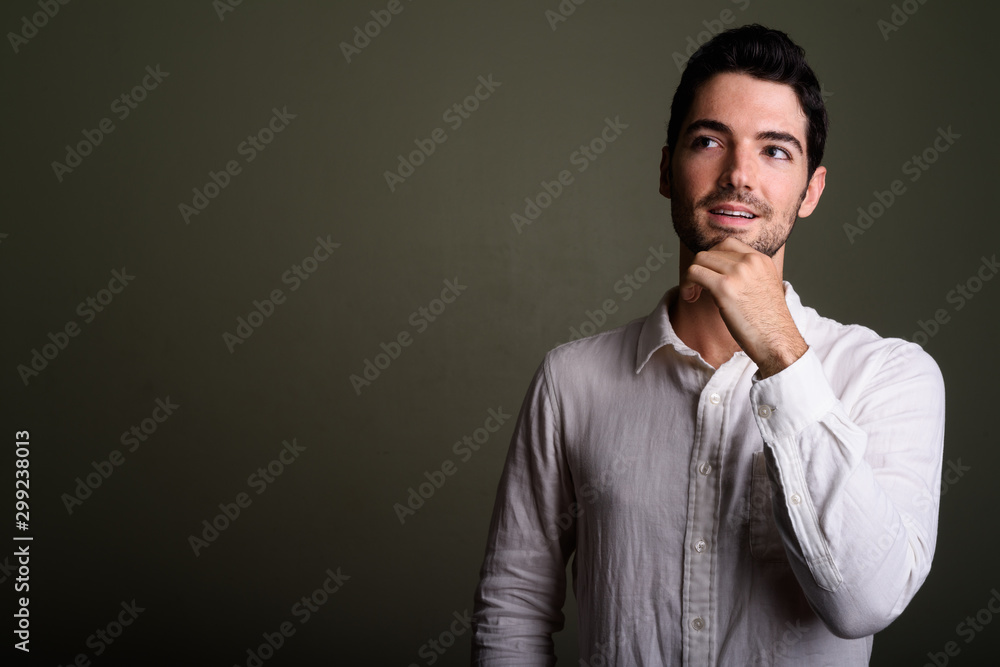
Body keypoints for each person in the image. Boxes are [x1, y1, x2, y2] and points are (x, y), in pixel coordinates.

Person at [471, 23, 946, 666]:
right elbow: (512, 609)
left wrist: (782, 351)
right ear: (666, 169)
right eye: (708, 141)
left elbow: (864, 603)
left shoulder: (891, 377)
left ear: (811, 191)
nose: (738, 175)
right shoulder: (571, 381)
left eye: (775, 151)